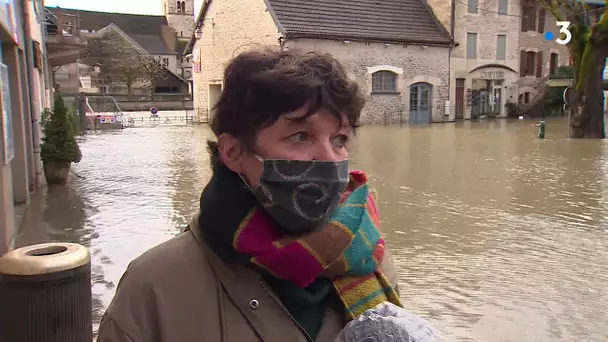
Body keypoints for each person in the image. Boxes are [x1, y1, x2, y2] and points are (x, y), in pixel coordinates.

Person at [97, 48, 403, 342]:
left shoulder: (370, 256)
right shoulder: (154, 290)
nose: (330, 160)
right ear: (233, 152)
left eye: (339, 139)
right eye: (300, 136)